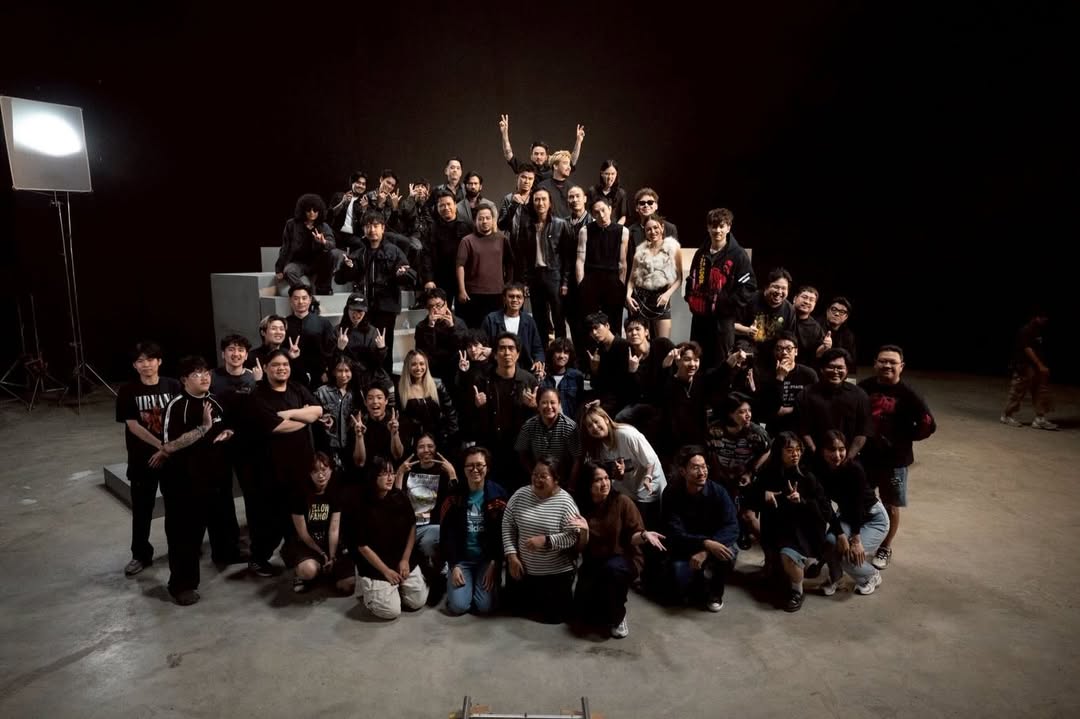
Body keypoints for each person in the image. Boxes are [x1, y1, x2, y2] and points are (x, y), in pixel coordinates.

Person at [158, 356, 237, 605]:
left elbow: (226, 426)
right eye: (197, 374)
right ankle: (181, 585)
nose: (204, 377)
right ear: (184, 380)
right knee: (185, 535)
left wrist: (228, 432)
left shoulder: (214, 400)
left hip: (214, 478)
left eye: (206, 372)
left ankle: (224, 554)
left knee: (220, 522)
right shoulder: (177, 405)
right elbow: (170, 446)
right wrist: (204, 427)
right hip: (184, 483)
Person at [859, 345, 937, 570]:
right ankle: (860, 539)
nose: (887, 365)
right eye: (883, 361)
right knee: (860, 499)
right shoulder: (864, 388)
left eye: (892, 362)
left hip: (894, 461)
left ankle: (885, 546)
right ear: (875, 363)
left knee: (890, 504)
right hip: (865, 457)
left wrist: (904, 439)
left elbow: (928, 424)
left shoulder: (909, 395)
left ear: (901, 366)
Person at [247, 350, 323, 577]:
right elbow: (277, 427)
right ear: (266, 368)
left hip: (302, 463)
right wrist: (304, 417)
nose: (281, 368)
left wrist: (288, 413)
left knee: (299, 514)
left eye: (285, 364)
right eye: (276, 365)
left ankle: (294, 552)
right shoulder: (258, 396)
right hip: (273, 467)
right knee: (272, 517)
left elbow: (318, 411)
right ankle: (258, 559)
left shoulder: (297, 388)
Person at [572, 461, 664, 638]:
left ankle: (619, 617)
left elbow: (633, 535)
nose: (604, 483)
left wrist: (644, 535)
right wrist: (583, 532)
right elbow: (580, 548)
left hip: (623, 557)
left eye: (607, 478)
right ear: (587, 484)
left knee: (612, 573)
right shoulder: (580, 506)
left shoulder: (622, 501)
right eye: (598, 480)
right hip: (595, 559)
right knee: (583, 614)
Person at [116, 341, 182, 576]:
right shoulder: (127, 391)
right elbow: (133, 425)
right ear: (134, 365)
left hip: (172, 459)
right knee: (142, 511)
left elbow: (181, 419)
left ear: (159, 361)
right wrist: (160, 446)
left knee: (176, 509)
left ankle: (179, 550)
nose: (146, 365)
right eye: (140, 361)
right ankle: (140, 555)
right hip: (142, 460)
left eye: (150, 359)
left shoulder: (173, 385)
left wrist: (168, 450)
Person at [746, 433, 832, 612]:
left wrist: (802, 501)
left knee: (788, 557)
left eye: (798, 450)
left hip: (800, 533)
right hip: (775, 529)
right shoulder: (767, 473)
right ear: (779, 452)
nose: (795, 454)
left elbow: (825, 509)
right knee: (776, 577)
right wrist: (764, 495)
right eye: (790, 450)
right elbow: (748, 499)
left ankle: (797, 591)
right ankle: (788, 565)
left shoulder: (807, 476)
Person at [501, 457, 584, 624]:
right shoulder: (520, 494)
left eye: (543, 476)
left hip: (554, 572)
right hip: (523, 568)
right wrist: (511, 556)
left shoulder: (566, 503)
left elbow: (573, 536)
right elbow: (507, 524)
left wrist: (546, 540)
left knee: (554, 618)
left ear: (556, 479)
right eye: (535, 474)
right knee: (514, 610)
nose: (537, 480)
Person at [335, 212, 417, 371]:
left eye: (375, 225)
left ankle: (384, 379)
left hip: (386, 308)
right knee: (363, 346)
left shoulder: (394, 251)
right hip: (363, 308)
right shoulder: (359, 252)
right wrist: (348, 267)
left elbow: (411, 277)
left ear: (383, 228)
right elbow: (340, 279)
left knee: (383, 347)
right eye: (368, 226)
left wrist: (402, 274)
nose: (372, 229)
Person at [660, 446, 738, 611]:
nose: (702, 472)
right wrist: (704, 543)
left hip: (715, 545)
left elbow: (732, 526)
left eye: (704, 467)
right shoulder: (671, 493)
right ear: (683, 471)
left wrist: (707, 549)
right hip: (686, 546)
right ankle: (698, 582)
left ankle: (715, 592)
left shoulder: (718, 492)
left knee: (728, 553)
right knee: (678, 586)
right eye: (695, 468)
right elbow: (674, 532)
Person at [354, 457, 430, 619]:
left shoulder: (399, 496)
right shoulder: (361, 504)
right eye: (384, 474)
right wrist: (386, 571)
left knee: (417, 601)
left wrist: (405, 559)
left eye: (392, 473)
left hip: (400, 557)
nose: (390, 478)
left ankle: (395, 588)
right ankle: (371, 589)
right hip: (376, 565)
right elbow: (362, 546)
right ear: (373, 476)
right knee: (391, 611)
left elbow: (412, 526)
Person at [817, 430, 890, 596]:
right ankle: (836, 577)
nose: (837, 455)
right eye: (832, 450)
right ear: (822, 450)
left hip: (873, 518)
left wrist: (855, 540)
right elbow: (826, 506)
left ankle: (871, 575)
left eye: (841, 449)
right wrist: (841, 535)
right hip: (848, 517)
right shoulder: (820, 470)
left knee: (847, 556)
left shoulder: (854, 469)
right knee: (830, 543)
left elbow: (857, 507)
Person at [440, 447, 508, 616]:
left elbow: (503, 533)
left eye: (479, 465)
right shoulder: (454, 496)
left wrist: (495, 563)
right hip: (462, 559)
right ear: (463, 469)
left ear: (487, 467)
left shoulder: (498, 495)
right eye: (469, 465)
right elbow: (447, 534)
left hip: (487, 560)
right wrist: (454, 565)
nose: (475, 469)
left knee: (485, 607)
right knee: (458, 607)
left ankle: (478, 588)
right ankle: (458, 585)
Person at [575, 405, 666, 529]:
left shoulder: (627, 434)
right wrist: (619, 474)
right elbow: (615, 476)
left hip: (648, 485)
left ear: (606, 419)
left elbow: (650, 460)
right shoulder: (598, 447)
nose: (594, 427)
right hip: (628, 489)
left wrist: (648, 478)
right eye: (590, 426)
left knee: (650, 524)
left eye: (596, 421)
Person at [685, 208, 756, 367]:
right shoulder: (701, 253)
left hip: (722, 322)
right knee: (696, 362)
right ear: (708, 227)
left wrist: (725, 304)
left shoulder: (738, 255)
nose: (717, 230)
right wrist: (689, 297)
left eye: (721, 226)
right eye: (714, 226)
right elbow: (691, 278)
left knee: (721, 365)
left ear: (728, 227)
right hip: (699, 320)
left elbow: (749, 286)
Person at [471, 332, 540, 490]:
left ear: (518, 354)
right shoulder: (483, 380)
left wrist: (534, 407)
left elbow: (541, 419)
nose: (507, 353)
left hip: (520, 452)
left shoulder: (529, 380)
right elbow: (471, 419)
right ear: (495, 354)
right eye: (502, 348)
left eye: (511, 348)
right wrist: (478, 406)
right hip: (492, 450)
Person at [705, 392, 771, 547]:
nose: (748, 415)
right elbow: (710, 452)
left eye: (749, 410)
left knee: (748, 516)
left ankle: (773, 552)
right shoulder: (714, 430)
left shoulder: (756, 432)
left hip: (746, 478)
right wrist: (719, 473)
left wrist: (751, 472)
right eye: (741, 412)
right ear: (730, 414)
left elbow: (767, 450)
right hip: (720, 477)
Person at [284, 452, 355, 594]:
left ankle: (328, 567)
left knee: (347, 587)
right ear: (309, 474)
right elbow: (303, 533)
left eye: (324, 469)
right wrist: (321, 552)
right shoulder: (299, 495)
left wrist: (332, 556)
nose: (320, 475)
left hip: (331, 543)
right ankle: (302, 573)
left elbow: (334, 529)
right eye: (315, 471)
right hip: (308, 544)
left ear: (331, 470)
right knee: (308, 571)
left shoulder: (335, 493)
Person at [395, 433, 457, 582]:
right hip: (409, 526)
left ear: (436, 449)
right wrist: (400, 474)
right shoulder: (409, 470)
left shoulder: (442, 472)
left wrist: (452, 473)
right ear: (416, 450)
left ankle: (439, 569)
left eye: (430, 446)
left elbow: (457, 501)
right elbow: (396, 501)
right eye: (421, 447)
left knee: (430, 541)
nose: (426, 450)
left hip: (432, 526)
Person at [517, 187, 575, 342]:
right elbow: (523, 257)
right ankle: (541, 352)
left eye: (543, 199)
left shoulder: (561, 224)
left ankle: (561, 351)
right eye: (536, 199)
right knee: (539, 318)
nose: (540, 203)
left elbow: (568, 257)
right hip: (535, 276)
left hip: (554, 275)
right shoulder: (527, 226)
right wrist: (525, 282)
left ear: (550, 203)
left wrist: (565, 282)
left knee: (558, 317)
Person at [797, 348, 872, 463]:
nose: (835, 371)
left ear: (847, 370)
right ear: (822, 369)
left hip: (849, 461)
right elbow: (803, 430)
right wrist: (817, 454)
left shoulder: (860, 395)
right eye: (831, 367)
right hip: (815, 460)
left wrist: (848, 458)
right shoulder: (806, 394)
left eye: (840, 368)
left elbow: (863, 432)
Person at [576, 195, 629, 334]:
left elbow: (622, 262)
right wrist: (581, 284)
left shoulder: (623, 231)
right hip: (591, 279)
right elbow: (580, 260)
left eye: (604, 210)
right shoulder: (585, 230)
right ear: (593, 214)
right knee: (589, 322)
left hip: (613, 279)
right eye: (597, 212)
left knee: (614, 321)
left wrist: (621, 284)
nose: (601, 215)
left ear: (610, 209)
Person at [456, 203, 514, 328]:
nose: (485, 221)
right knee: (475, 329)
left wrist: (507, 285)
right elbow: (460, 266)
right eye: (481, 218)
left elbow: (509, 263)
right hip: (473, 293)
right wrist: (462, 290)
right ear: (475, 221)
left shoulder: (502, 239)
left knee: (496, 328)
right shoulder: (467, 241)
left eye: (488, 218)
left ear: (493, 220)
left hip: (497, 293)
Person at [625, 215, 683, 339]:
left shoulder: (673, 248)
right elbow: (631, 280)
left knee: (663, 342)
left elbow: (679, 279)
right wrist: (628, 296)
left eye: (655, 227)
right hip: (641, 300)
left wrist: (667, 294)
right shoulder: (640, 251)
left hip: (661, 299)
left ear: (662, 227)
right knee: (641, 343)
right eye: (648, 229)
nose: (653, 232)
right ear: (645, 232)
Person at [1001, 307, 1057, 430]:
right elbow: (1027, 349)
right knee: (1018, 391)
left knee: (1040, 391)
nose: (1045, 320)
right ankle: (1007, 415)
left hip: (1036, 366)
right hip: (1024, 365)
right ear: (1036, 317)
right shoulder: (1026, 330)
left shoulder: (1039, 330)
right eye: (1043, 317)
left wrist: (1042, 365)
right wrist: (1040, 365)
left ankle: (1039, 418)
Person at [753, 331, 818, 435]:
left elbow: (815, 405)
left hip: (802, 428)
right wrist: (780, 377)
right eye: (779, 349)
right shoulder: (765, 375)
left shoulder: (808, 374)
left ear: (796, 351)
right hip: (775, 429)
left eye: (788, 348)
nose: (784, 352)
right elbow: (765, 410)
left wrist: (790, 410)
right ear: (774, 352)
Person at [274, 193, 339, 295]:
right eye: (308, 210)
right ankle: (305, 292)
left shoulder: (323, 226)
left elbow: (332, 244)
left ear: (319, 211)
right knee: (289, 271)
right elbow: (285, 247)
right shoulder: (291, 225)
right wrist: (279, 269)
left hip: (317, 262)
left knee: (332, 253)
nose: (312, 213)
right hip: (298, 262)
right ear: (303, 210)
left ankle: (323, 289)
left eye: (315, 210)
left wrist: (323, 242)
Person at [735, 268, 796, 369]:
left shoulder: (789, 310)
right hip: (747, 346)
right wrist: (747, 330)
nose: (779, 292)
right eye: (776, 287)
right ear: (766, 287)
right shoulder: (750, 299)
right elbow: (731, 325)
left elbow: (789, 338)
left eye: (784, 288)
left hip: (773, 352)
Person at [397, 350, 458, 450]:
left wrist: (451, 436)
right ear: (407, 366)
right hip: (416, 443)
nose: (418, 368)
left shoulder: (437, 384)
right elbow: (402, 420)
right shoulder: (400, 389)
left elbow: (450, 411)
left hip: (440, 439)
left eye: (422, 364)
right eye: (414, 364)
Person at [420, 190, 474, 304]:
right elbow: (426, 255)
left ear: (455, 204)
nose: (446, 208)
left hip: (464, 278)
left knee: (465, 312)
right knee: (442, 312)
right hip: (441, 278)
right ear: (437, 208)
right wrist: (428, 279)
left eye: (449, 204)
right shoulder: (432, 229)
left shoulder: (467, 226)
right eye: (442, 205)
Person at [498, 113, 585, 182]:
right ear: (531, 156)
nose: (538, 157)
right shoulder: (525, 169)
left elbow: (571, 162)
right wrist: (504, 133)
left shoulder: (554, 170)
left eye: (541, 154)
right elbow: (508, 154)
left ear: (547, 156)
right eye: (536, 154)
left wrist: (578, 141)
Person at [480, 283, 545, 374]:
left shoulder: (529, 321)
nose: (515, 300)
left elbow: (538, 348)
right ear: (504, 298)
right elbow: (481, 346)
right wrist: (491, 352)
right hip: (496, 369)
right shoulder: (491, 319)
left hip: (524, 370)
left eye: (519, 297)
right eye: (511, 296)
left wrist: (539, 360)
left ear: (523, 300)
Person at [515, 387, 578, 475]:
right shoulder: (529, 426)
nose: (549, 407)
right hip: (538, 476)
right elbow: (521, 452)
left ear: (559, 404)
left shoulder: (570, 427)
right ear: (538, 405)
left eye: (553, 402)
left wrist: (571, 482)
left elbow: (577, 459)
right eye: (544, 403)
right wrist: (533, 473)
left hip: (564, 477)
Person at [285, 284, 335, 388]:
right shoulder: (284, 323)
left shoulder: (323, 323)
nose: (300, 302)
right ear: (290, 300)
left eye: (304, 298)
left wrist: (328, 371)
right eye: (296, 298)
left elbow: (330, 349)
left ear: (310, 299)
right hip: (291, 374)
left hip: (319, 376)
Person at [413, 288, 467, 382]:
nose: (435, 310)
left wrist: (452, 328)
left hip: (453, 368)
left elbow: (461, 349)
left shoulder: (459, 323)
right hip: (432, 367)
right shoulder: (421, 326)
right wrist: (430, 327)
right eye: (431, 307)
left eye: (438, 306)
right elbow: (423, 352)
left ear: (446, 304)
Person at [583, 312, 632, 415]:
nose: (594, 333)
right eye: (591, 330)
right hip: (603, 397)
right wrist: (594, 369)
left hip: (621, 398)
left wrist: (603, 401)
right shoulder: (597, 350)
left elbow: (624, 384)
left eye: (596, 328)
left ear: (607, 325)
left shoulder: (624, 346)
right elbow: (595, 384)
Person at [314, 355, 357, 469]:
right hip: (328, 446)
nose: (343, 375)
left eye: (347, 371)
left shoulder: (355, 394)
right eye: (339, 371)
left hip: (350, 447)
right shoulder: (321, 392)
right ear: (333, 372)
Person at [334, 293, 387, 371]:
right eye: (353, 310)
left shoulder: (373, 332)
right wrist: (339, 349)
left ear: (365, 312)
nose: (356, 314)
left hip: (367, 374)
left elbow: (377, 364)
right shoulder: (337, 331)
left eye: (360, 311)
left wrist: (381, 349)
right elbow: (332, 363)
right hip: (345, 374)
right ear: (347, 310)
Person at [538, 338, 585, 420]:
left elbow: (580, 404)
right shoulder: (543, 376)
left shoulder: (576, 376)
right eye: (558, 351)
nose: (562, 356)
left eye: (566, 352)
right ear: (552, 354)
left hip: (570, 423)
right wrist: (539, 380)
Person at [497, 165, 536, 260]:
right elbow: (501, 225)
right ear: (517, 177)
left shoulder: (537, 199)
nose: (527, 181)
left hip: (533, 248)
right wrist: (513, 205)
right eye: (524, 177)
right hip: (513, 247)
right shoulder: (509, 198)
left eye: (530, 179)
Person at [329, 171, 369, 250]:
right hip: (336, 232)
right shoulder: (339, 196)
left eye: (363, 184)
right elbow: (330, 215)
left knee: (363, 246)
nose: (361, 186)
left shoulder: (364, 202)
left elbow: (363, 226)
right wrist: (342, 202)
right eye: (358, 183)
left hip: (352, 236)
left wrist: (364, 210)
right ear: (352, 183)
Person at [791, 286, 829, 362]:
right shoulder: (783, 313)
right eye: (804, 297)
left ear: (814, 305)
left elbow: (817, 354)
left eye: (811, 300)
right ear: (795, 299)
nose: (807, 302)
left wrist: (825, 346)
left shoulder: (815, 327)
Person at [821, 297, 857, 373]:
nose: (836, 314)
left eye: (842, 312)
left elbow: (851, 360)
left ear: (846, 317)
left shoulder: (849, 335)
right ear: (827, 311)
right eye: (834, 309)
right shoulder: (815, 326)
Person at [587, 160, 628, 225]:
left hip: (615, 228)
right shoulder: (592, 191)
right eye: (607, 174)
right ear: (601, 173)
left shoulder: (621, 193)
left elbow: (623, 216)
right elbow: (588, 213)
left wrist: (615, 228)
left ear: (616, 174)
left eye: (613, 174)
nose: (610, 177)